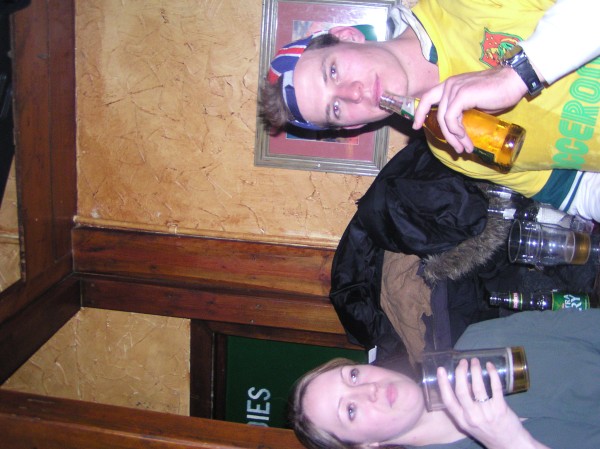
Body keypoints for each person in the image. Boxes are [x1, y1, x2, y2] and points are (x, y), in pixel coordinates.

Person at [260, 0, 600, 222]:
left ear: (347, 35)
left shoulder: (460, 7)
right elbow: (579, 191)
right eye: (335, 109)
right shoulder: (449, 147)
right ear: (352, 127)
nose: (353, 93)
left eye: (332, 71)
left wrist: (518, 73)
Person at [290, 309, 600, 449]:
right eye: (350, 410)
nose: (368, 390)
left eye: (353, 375)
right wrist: (510, 442)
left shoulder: (483, 340)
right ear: (366, 446)